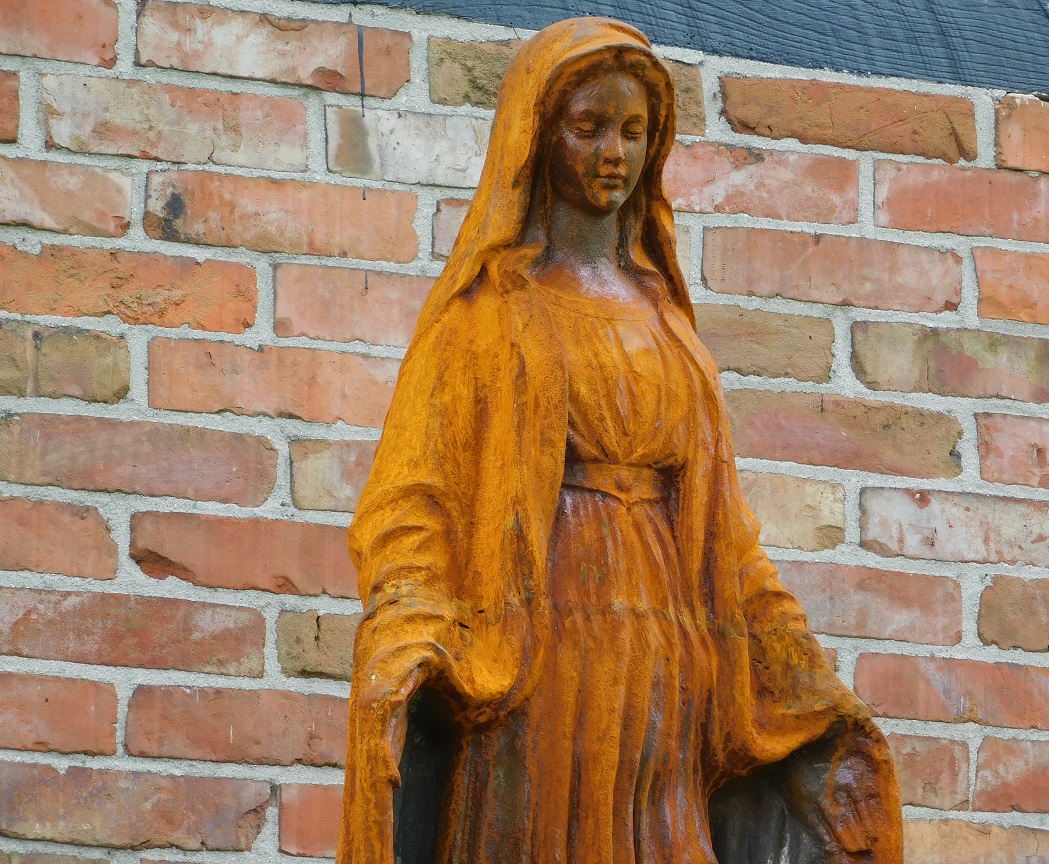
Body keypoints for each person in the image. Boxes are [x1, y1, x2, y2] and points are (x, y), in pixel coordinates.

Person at [338, 17, 902, 864]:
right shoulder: (485, 318)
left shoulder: (668, 325)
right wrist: (409, 621)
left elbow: (726, 534)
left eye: (633, 131)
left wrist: (792, 656)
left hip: (670, 665)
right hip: (536, 661)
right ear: (539, 136)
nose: (613, 153)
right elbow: (413, 498)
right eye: (589, 126)